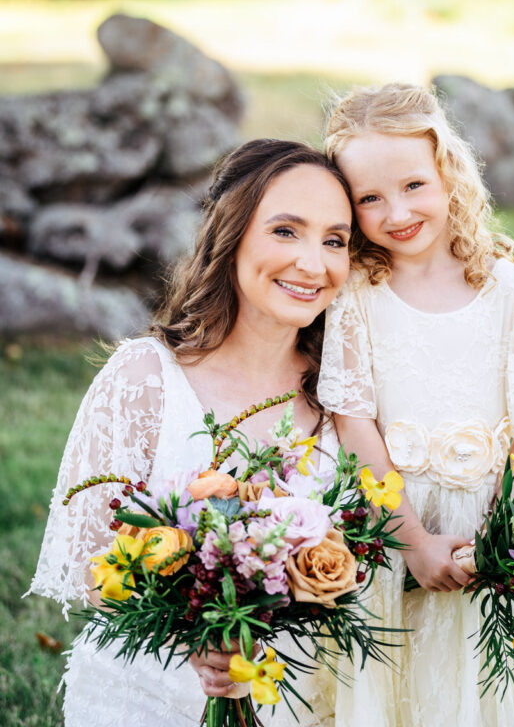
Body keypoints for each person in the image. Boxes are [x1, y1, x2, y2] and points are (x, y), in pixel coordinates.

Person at [28, 139, 353, 727]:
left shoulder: (345, 401)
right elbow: (85, 564)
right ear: (230, 234)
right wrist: (196, 631)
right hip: (144, 698)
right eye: (285, 231)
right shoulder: (146, 378)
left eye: (335, 240)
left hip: (300, 702)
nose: (313, 263)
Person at [318, 84, 514, 727]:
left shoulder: (507, 290)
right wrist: (411, 540)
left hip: (481, 527)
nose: (395, 211)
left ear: (449, 175)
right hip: (392, 524)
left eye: (412, 186)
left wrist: (506, 536)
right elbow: (353, 423)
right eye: (369, 199)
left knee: (472, 691)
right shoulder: (356, 296)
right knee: (389, 685)